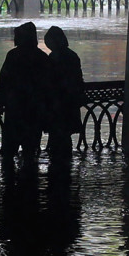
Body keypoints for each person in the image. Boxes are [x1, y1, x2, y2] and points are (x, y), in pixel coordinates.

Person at [0, 22, 54, 171]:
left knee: (9, 150)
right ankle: (29, 182)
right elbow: (48, 86)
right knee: (30, 150)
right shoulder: (42, 57)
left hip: (15, 109)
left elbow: (4, 81)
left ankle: (9, 184)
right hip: (34, 110)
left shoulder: (13, 56)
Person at [43, 26, 85, 162]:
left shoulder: (54, 57)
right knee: (65, 136)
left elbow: (49, 81)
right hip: (70, 102)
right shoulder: (72, 56)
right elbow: (78, 80)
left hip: (57, 104)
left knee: (57, 135)